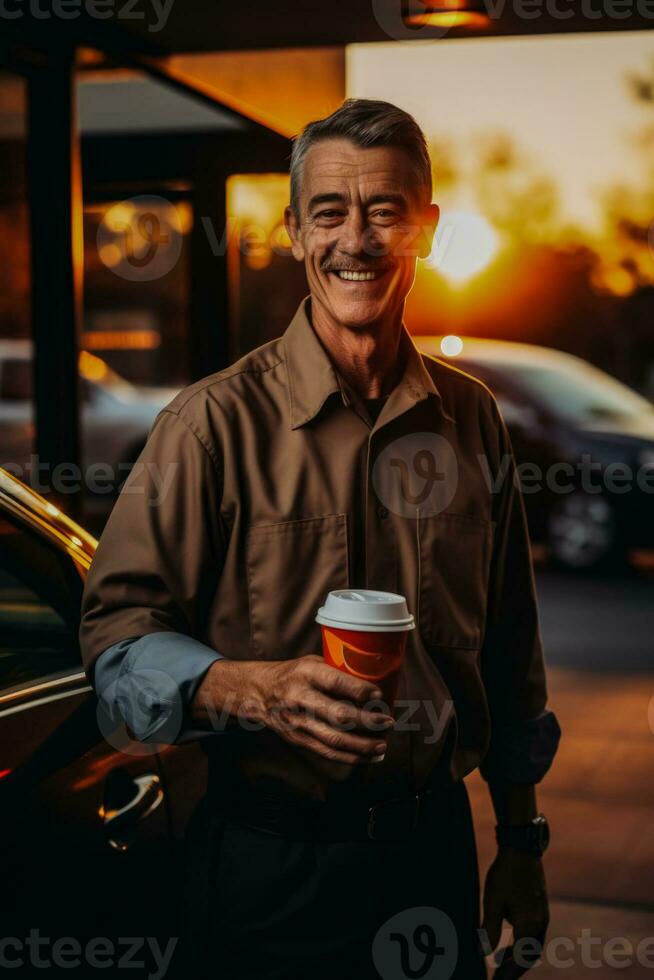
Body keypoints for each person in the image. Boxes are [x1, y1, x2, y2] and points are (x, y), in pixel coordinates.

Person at [79, 98, 561, 980]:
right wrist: (246, 688)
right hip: (268, 875)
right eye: (330, 213)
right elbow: (116, 647)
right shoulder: (210, 425)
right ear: (296, 231)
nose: (358, 240)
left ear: (425, 229)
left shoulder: (472, 420)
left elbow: (510, 653)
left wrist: (522, 840)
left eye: (385, 211)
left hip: (432, 867)